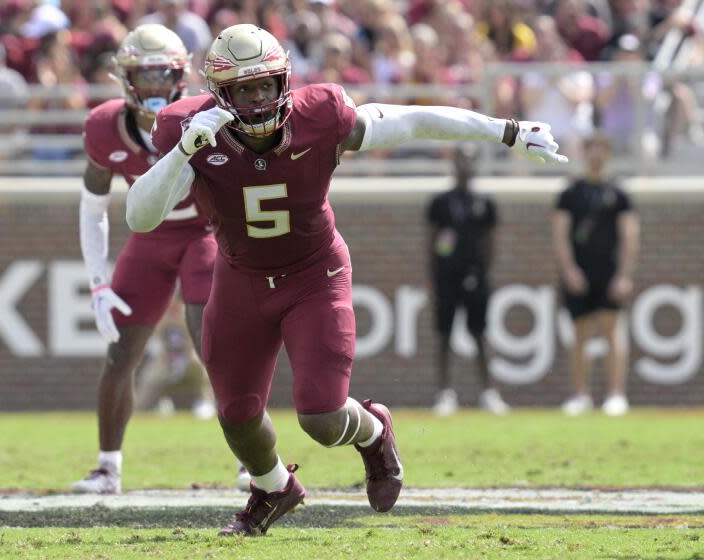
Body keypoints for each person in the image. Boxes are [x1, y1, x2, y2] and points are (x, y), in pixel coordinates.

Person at [126, 24, 566, 536]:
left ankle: (375, 432)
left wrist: (506, 130)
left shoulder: (322, 116)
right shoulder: (191, 130)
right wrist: (182, 152)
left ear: (282, 83)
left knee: (322, 417)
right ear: (221, 93)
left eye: (264, 85)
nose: (255, 98)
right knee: (237, 416)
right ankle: (273, 488)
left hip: (315, 274)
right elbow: (140, 217)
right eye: (242, 89)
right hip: (241, 275)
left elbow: (414, 121)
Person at [70, 24, 221, 495]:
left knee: (216, 346)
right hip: (150, 238)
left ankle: (251, 461)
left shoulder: (203, 115)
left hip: (204, 233)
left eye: (164, 75)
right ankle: (107, 467)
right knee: (121, 355)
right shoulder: (105, 126)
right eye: (145, 75)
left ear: (181, 75)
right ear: (125, 78)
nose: (156, 87)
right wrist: (98, 282)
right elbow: (92, 207)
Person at [554, 132, 639, 417]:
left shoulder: (619, 194)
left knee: (611, 330)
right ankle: (581, 394)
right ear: (584, 152)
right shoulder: (570, 193)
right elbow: (561, 235)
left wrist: (624, 275)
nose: (596, 155)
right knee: (580, 332)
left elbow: (629, 236)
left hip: (608, 270)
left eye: (602, 149)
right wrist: (569, 270)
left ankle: (616, 394)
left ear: (609, 154)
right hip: (580, 270)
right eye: (592, 149)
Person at [427, 144, 509, 417]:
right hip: (447, 278)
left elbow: (490, 243)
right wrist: (434, 277)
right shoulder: (441, 203)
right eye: (461, 159)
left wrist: (484, 273)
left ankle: (488, 392)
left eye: (470, 160)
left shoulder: (484, 202)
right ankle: (445, 393)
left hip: (476, 277)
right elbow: (432, 242)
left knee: (479, 333)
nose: (465, 165)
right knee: (445, 335)